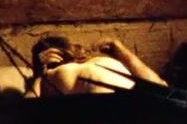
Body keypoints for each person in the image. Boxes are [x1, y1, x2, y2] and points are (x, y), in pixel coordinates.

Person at [28, 35, 169, 97]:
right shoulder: (56, 74)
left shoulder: (96, 62)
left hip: (137, 108)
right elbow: (162, 87)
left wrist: (38, 77)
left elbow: (28, 112)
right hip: (134, 111)